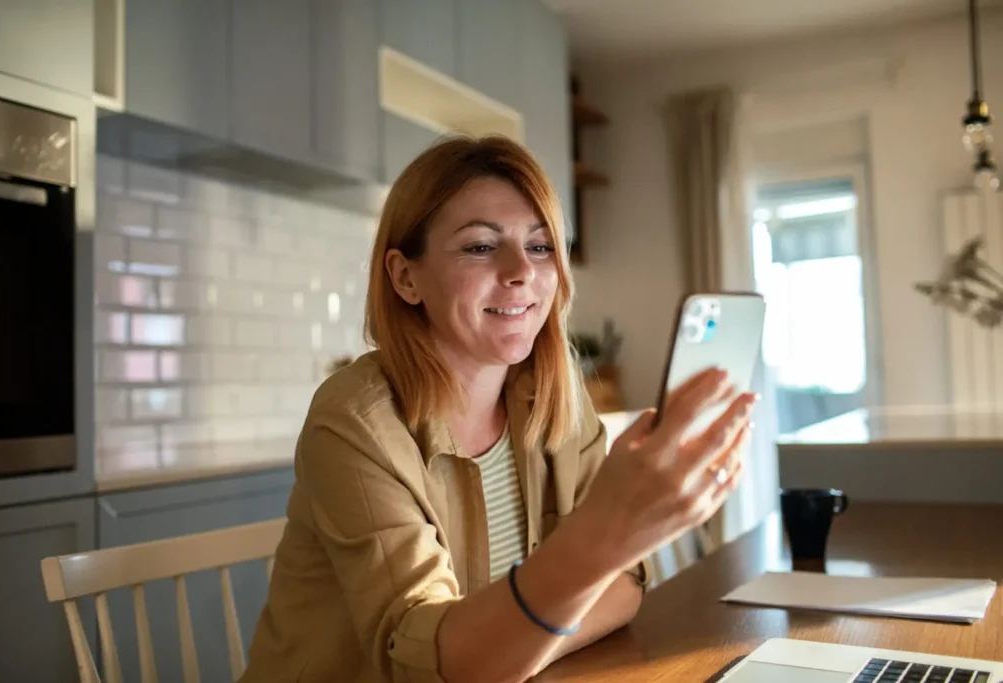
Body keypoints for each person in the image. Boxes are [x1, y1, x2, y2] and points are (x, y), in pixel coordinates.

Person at [239, 134, 757, 683]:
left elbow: (625, 587)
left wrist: (518, 647)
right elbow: (422, 664)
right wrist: (603, 538)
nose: (522, 272)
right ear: (405, 277)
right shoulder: (354, 422)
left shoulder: (555, 395)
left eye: (539, 246)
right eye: (481, 247)